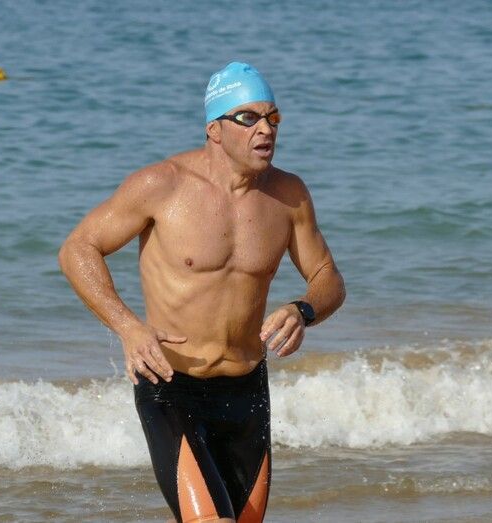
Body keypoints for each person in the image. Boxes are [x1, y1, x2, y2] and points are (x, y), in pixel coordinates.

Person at [59, 62, 345, 522]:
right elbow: (78, 249)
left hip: (247, 390)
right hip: (172, 386)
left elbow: (328, 276)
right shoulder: (162, 185)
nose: (265, 129)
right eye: (248, 118)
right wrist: (128, 327)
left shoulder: (289, 195)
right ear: (214, 129)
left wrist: (303, 309)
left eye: (272, 117)